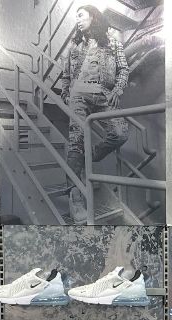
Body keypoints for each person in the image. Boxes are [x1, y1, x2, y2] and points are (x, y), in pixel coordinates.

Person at [55, 5, 130, 222]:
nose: (77, 20)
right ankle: (75, 199)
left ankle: (90, 156)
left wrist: (118, 89)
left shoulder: (112, 42)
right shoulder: (74, 45)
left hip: (104, 94)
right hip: (79, 95)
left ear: (93, 17)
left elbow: (123, 69)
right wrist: (66, 93)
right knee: (76, 142)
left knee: (120, 133)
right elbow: (66, 74)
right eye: (76, 17)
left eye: (80, 15)